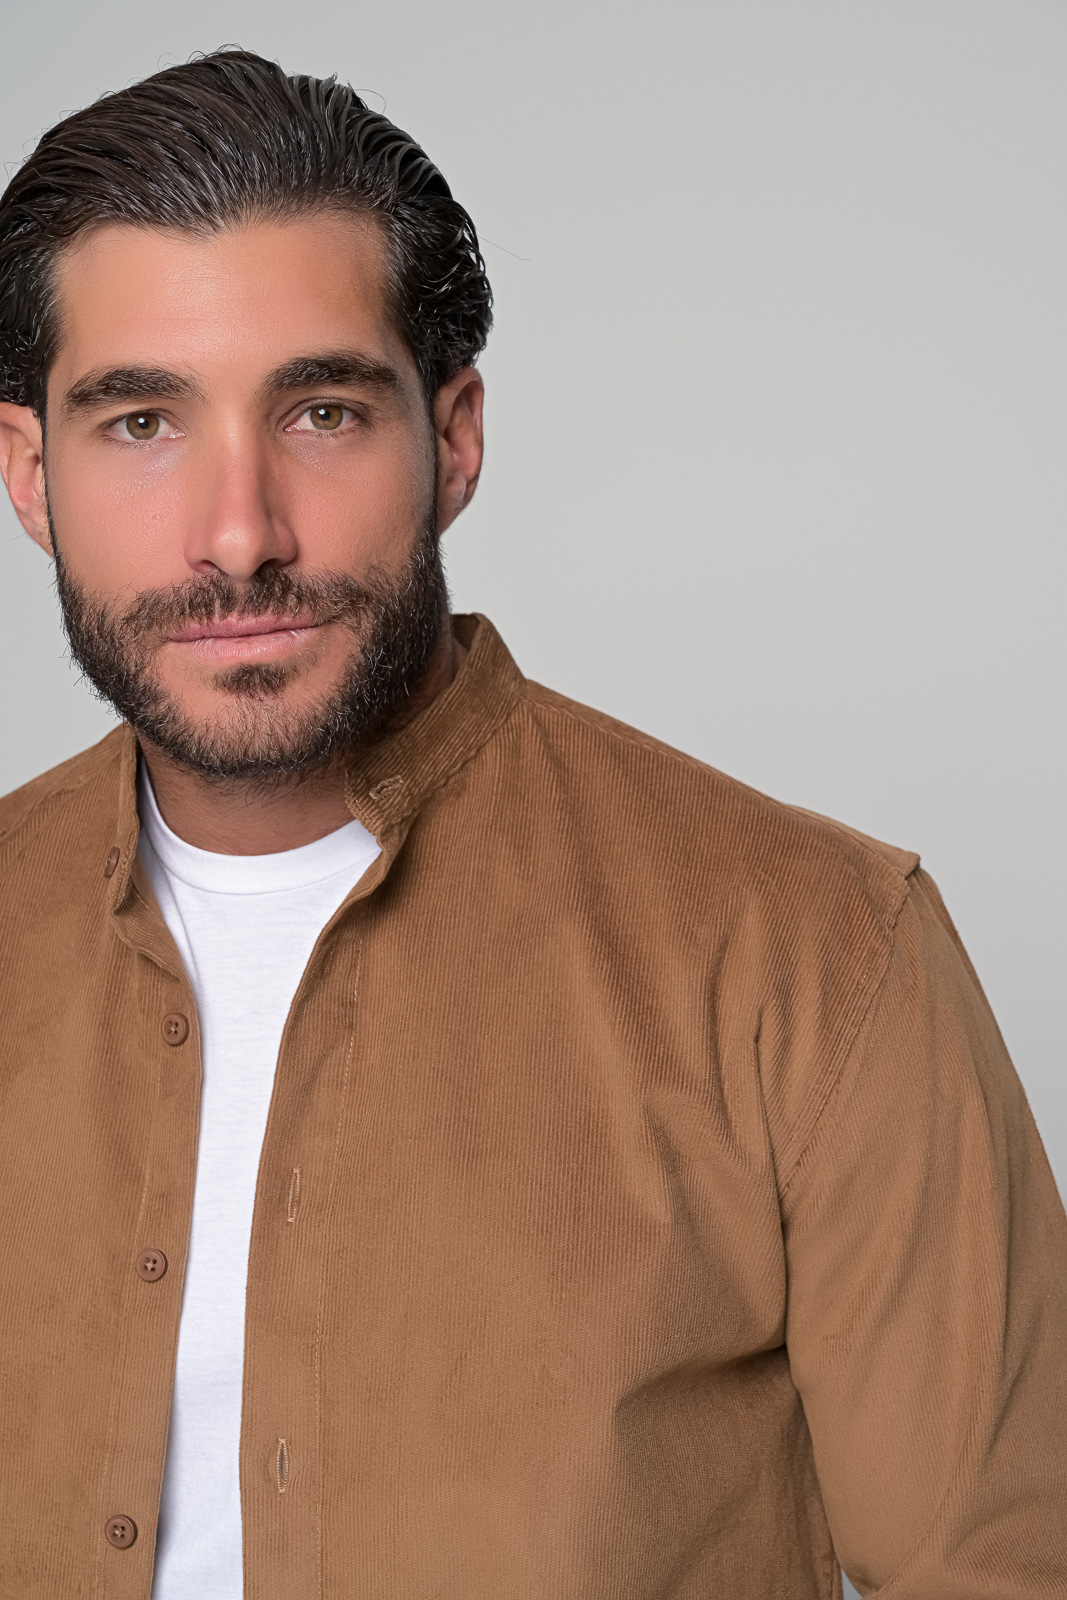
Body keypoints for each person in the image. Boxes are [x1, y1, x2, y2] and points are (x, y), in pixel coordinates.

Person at [0, 47, 1063, 1600]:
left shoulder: (820, 954)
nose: (239, 533)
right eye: (142, 422)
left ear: (455, 438)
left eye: (322, 411)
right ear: (31, 473)